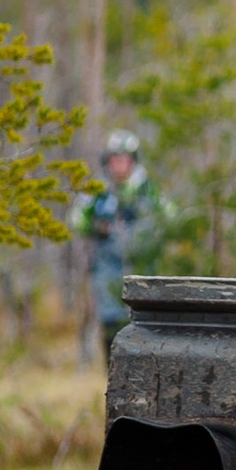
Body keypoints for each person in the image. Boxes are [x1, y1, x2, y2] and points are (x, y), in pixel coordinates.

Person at [75, 130, 164, 344]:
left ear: (133, 161)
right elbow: (77, 219)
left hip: (141, 266)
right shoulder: (97, 189)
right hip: (107, 266)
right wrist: (97, 227)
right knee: (110, 320)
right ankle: (111, 371)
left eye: (124, 159)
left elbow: (165, 217)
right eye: (114, 159)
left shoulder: (146, 188)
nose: (119, 165)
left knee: (142, 321)